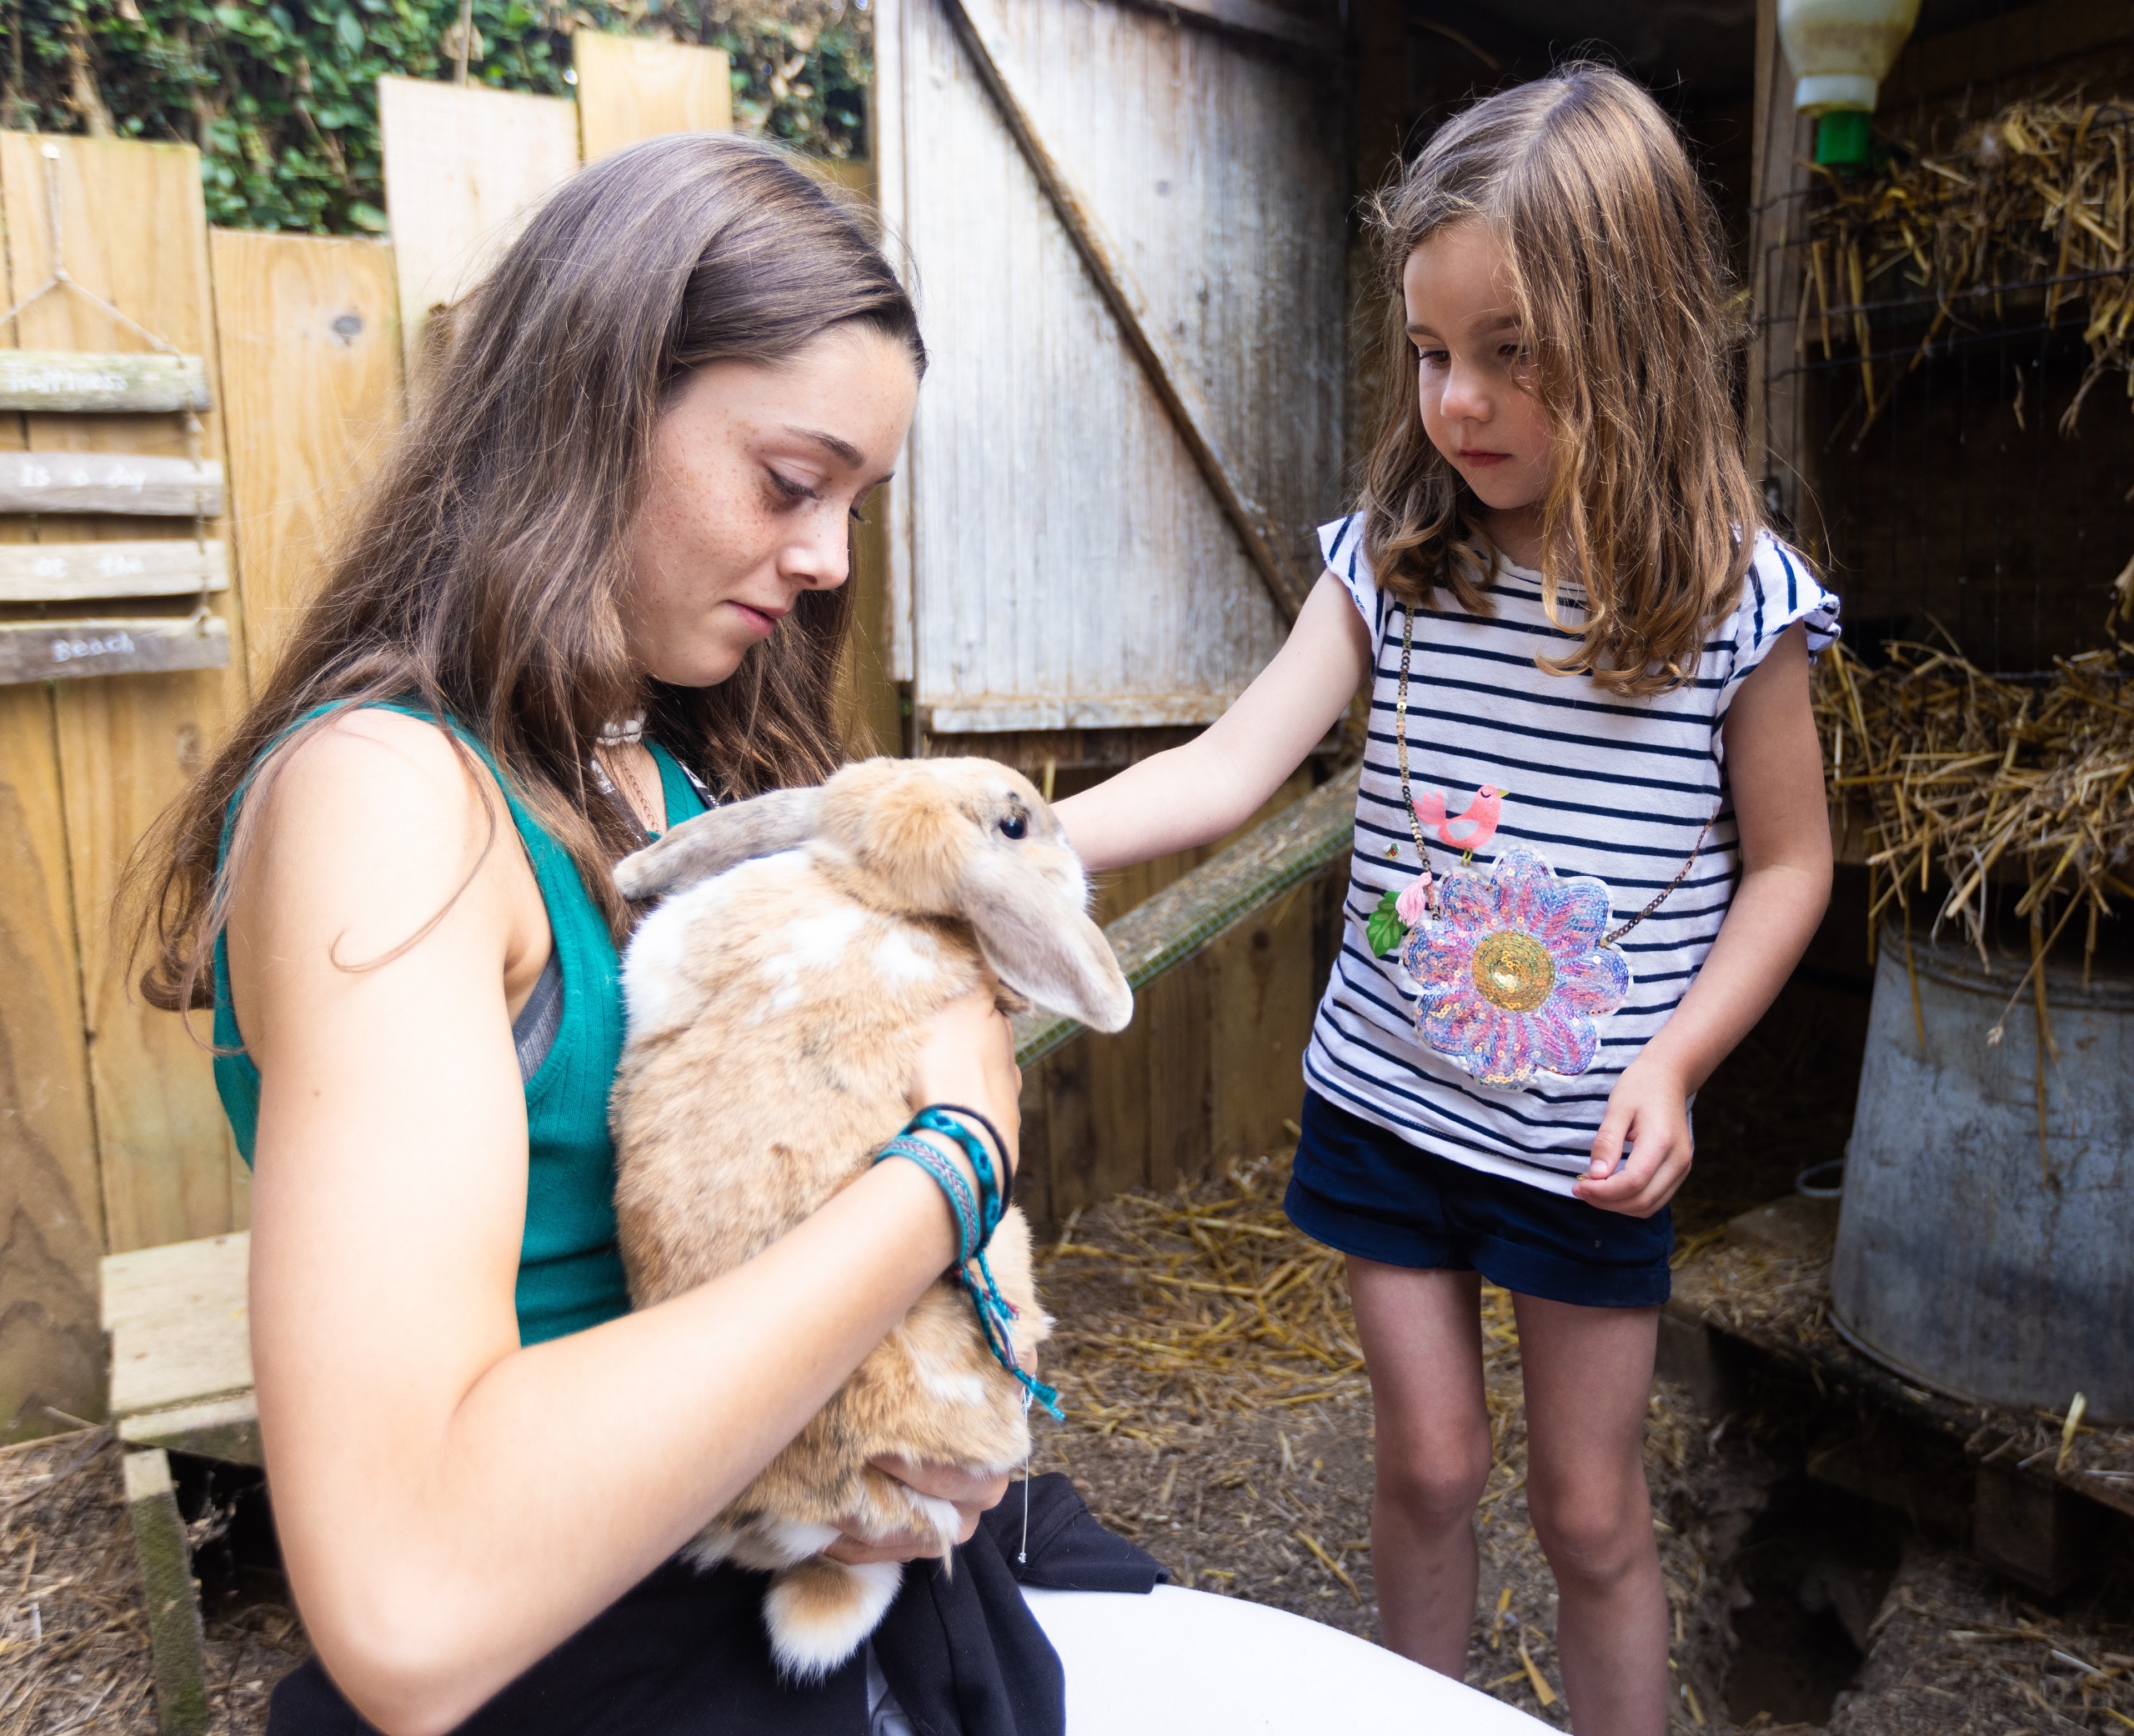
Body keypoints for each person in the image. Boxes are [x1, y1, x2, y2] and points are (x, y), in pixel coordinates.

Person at [128, 135, 1050, 1736]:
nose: (832, 556)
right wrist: (955, 1162)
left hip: (782, 1594)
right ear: (591, 403)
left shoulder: (670, 764)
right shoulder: (388, 804)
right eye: (789, 481)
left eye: (855, 501)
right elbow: (408, 1600)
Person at [1052, 67, 1837, 1736]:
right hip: (1387, 1106)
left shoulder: (1731, 599)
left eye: (1506, 354)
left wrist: (1675, 1062)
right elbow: (1227, 767)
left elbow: (1790, 865)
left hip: (1583, 1145)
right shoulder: (1393, 559)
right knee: (1422, 1463)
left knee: (1588, 1512)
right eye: (1427, 352)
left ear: (1626, 341)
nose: (1454, 404)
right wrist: (1017, 854)